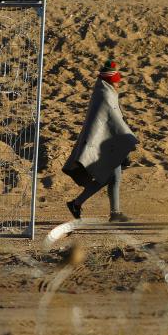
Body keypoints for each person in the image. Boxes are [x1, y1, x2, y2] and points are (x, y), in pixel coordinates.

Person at [63, 60, 138, 222]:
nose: (119, 84)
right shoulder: (105, 94)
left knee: (113, 178)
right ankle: (77, 203)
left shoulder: (105, 91)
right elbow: (112, 121)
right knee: (107, 178)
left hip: (109, 142)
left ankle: (113, 213)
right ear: (111, 81)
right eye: (117, 81)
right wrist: (126, 139)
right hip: (104, 143)